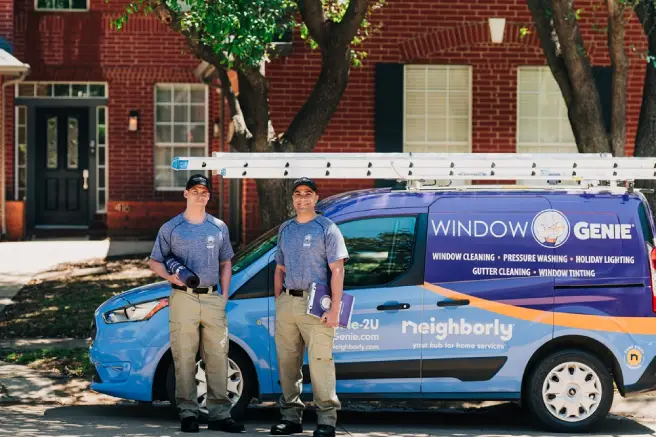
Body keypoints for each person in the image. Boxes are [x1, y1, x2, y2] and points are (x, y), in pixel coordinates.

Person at [148, 173, 245, 434]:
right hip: (183, 299)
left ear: (208, 196)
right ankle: (188, 413)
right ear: (186, 193)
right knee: (184, 356)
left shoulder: (218, 226)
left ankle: (220, 414)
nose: (199, 195)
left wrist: (223, 295)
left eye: (204, 191)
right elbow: (155, 260)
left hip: (213, 297)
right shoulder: (171, 228)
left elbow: (226, 262)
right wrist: (171, 278)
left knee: (218, 356)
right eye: (195, 190)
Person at [270, 177, 349, 437]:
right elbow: (279, 266)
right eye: (297, 194)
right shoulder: (286, 229)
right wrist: (279, 296)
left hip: (317, 304)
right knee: (288, 363)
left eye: (308, 193)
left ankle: (327, 420)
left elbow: (337, 270)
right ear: (292, 199)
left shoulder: (327, 228)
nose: (302, 198)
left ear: (316, 198)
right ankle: (291, 418)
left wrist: (335, 308)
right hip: (288, 303)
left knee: (320, 363)